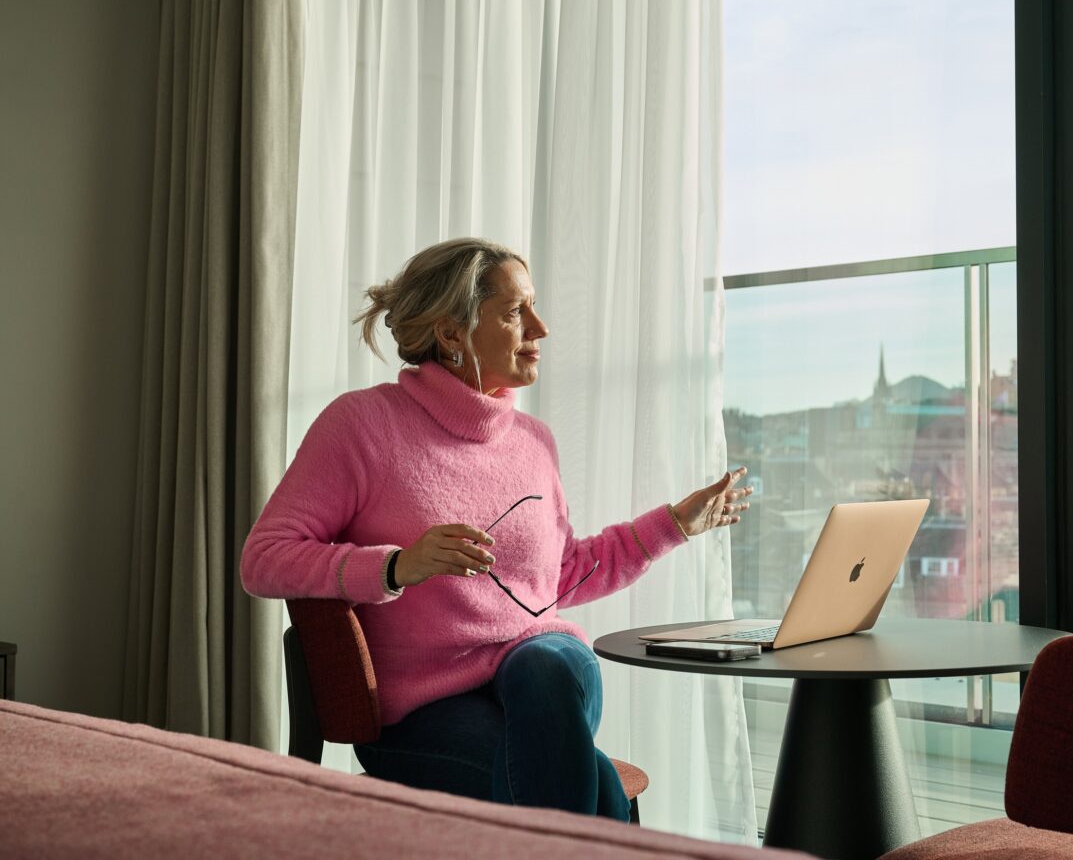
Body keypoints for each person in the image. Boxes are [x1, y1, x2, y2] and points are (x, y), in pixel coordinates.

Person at [241, 238, 751, 820]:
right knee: (599, 786)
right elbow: (264, 558)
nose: (541, 327)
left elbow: (558, 578)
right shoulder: (361, 426)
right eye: (515, 312)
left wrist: (674, 526)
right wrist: (395, 566)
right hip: (424, 709)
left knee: (545, 664)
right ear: (451, 333)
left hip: (545, 672)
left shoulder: (534, 442)